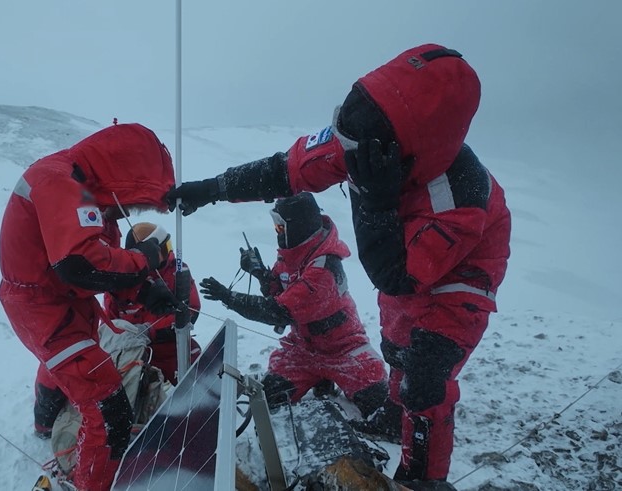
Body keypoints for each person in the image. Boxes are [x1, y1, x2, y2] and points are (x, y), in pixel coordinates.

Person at [167, 44, 511, 490]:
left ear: (400, 151)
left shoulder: (460, 195)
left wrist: (375, 199)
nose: (344, 154)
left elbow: (395, 275)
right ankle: (394, 410)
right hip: (374, 274)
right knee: (398, 345)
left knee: (425, 377)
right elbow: (285, 170)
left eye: (354, 149)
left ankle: (423, 476)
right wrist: (209, 189)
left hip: (460, 273)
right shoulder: (362, 141)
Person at [0, 122, 180, 491]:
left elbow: (100, 268)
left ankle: (46, 421)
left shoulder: (85, 194)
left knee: (68, 368)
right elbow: (83, 265)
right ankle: (92, 483)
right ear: (125, 174)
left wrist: (143, 293)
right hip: (42, 308)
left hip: (63, 303)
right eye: (132, 200)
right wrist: (145, 258)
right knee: (109, 408)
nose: (127, 210)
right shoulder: (58, 183)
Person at [198, 192, 401, 440]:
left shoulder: (324, 268)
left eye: (280, 225)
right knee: (268, 396)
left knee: (380, 404)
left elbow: (279, 312)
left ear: (299, 224)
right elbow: (279, 290)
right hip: (302, 350)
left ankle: (329, 379)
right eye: (276, 224)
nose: (278, 230)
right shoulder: (294, 253)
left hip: (345, 348)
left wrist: (229, 298)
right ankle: (318, 379)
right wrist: (260, 272)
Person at [103, 222, 202, 385]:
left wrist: (150, 332)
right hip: (138, 358)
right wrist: (128, 337)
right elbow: (109, 325)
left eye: (168, 246)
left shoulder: (177, 273)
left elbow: (191, 311)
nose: (168, 253)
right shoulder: (122, 280)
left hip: (175, 353)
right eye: (162, 250)